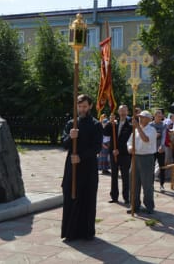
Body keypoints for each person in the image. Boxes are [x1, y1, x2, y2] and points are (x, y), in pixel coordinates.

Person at [61, 94, 103, 241]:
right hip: (72, 166)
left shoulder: (96, 125)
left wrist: (81, 156)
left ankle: (86, 232)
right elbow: (64, 143)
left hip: (88, 167)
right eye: (80, 106)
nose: (82, 109)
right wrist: (70, 137)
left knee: (87, 197)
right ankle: (70, 232)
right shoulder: (71, 124)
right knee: (70, 195)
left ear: (90, 106)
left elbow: (97, 147)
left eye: (85, 106)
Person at [127, 110, 157, 214]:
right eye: (139, 117)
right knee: (133, 182)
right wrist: (130, 148)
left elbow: (146, 139)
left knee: (147, 183)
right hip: (135, 157)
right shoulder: (135, 130)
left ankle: (149, 206)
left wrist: (138, 127)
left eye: (143, 117)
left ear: (149, 119)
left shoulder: (151, 130)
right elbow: (129, 142)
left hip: (146, 158)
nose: (140, 118)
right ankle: (134, 205)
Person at [103, 105, 133, 204]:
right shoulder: (114, 124)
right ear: (118, 112)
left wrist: (120, 150)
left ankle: (126, 197)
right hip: (113, 153)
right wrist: (109, 123)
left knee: (125, 176)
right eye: (121, 111)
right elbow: (105, 132)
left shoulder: (131, 125)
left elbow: (129, 140)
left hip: (124, 154)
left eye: (124, 111)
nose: (123, 113)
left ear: (127, 112)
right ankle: (114, 197)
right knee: (114, 175)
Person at [150, 109, 167, 193]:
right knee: (151, 167)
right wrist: (154, 136)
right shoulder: (150, 125)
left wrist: (161, 146)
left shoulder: (164, 125)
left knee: (162, 167)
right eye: (158, 116)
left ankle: (162, 185)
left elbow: (163, 136)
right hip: (152, 149)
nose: (160, 118)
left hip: (160, 149)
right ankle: (151, 184)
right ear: (154, 116)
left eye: (161, 116)